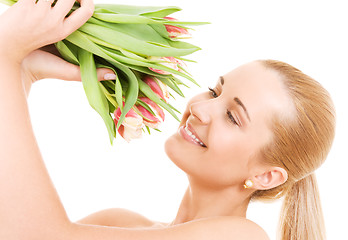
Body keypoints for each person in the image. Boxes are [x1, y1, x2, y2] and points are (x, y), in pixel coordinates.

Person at [0, 0, 335, 240]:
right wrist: (23, 73)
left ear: (265, 176)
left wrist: (6, 58)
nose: (201, 108)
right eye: (213, 92)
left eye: (233, 117)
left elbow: (37, 234)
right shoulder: (119, 222)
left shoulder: (240, 236)